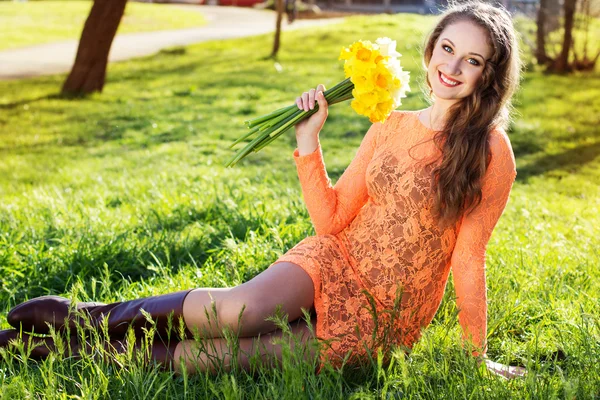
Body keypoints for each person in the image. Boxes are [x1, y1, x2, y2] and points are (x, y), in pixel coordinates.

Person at [0, 0, 527, 379]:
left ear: (488, 75)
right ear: (431, 47)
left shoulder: (489, 151)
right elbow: (332, 221)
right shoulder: (389, 123)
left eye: (473, 60)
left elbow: (469, 256)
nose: (452, 67)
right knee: (237, 313)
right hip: (334, 258)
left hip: (381, 314)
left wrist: (474, 357)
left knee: (227, 357)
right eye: (448, 48)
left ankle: (66, 353)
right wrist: (308, 142)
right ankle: (84, 318)